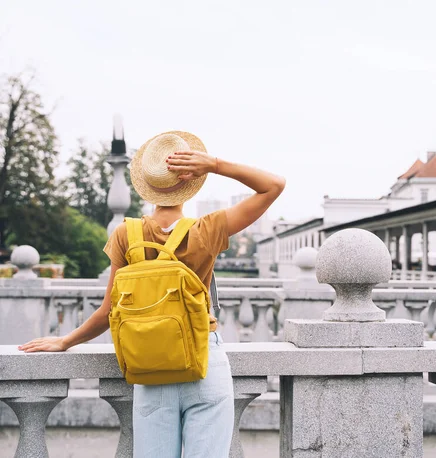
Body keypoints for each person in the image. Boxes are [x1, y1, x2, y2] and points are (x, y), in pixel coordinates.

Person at [18, 131, 286, 457]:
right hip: (204, 362)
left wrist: (65, 341)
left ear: (147, 185)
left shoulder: (125, 234)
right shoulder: (208, 229)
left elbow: (109, 311)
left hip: (150, 367)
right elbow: (274, 185)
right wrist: (214, 165)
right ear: (190, 182)